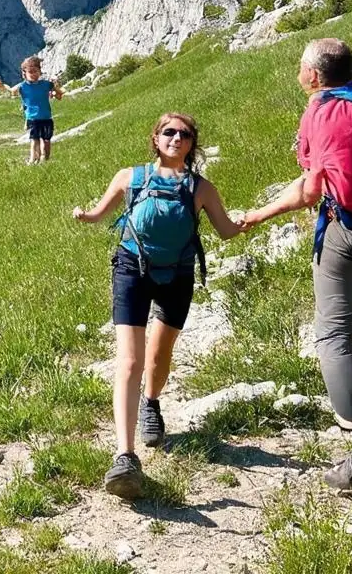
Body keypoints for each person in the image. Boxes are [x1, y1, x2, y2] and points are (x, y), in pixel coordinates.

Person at [242, 38, 352, 493]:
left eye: (300, 67)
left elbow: (309, 191)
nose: (298, 73)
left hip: (349, 232)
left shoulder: (319, 111)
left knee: (333, 337)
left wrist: (259, 215)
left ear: (314, 76)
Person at [72, 112, 248, 499]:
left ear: (191, 144)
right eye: (169, 132)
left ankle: (150, 403)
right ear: (156, 138)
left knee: (160, 353)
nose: (176, 138)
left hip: (178, 274)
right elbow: (101, 212)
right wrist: (85, 215)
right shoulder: (129, 177)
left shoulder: (201, 188)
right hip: (130, 269)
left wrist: (255, 218)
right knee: (129, 361)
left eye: (185, 134)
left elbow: (225, 230)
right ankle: (125, 456)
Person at [0, 56, 63, 163]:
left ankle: (45, 160)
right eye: (30, 72)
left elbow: (60, 95)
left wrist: (55, 93)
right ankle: (33, 160)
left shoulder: (47, 84)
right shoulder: (22, 86)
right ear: (24, 73)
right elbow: (5, 89)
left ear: (40, 71)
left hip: (46, 118)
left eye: (36, 71)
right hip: (33, 118)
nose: (33, 74)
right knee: (34, 140)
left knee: (46, 141)